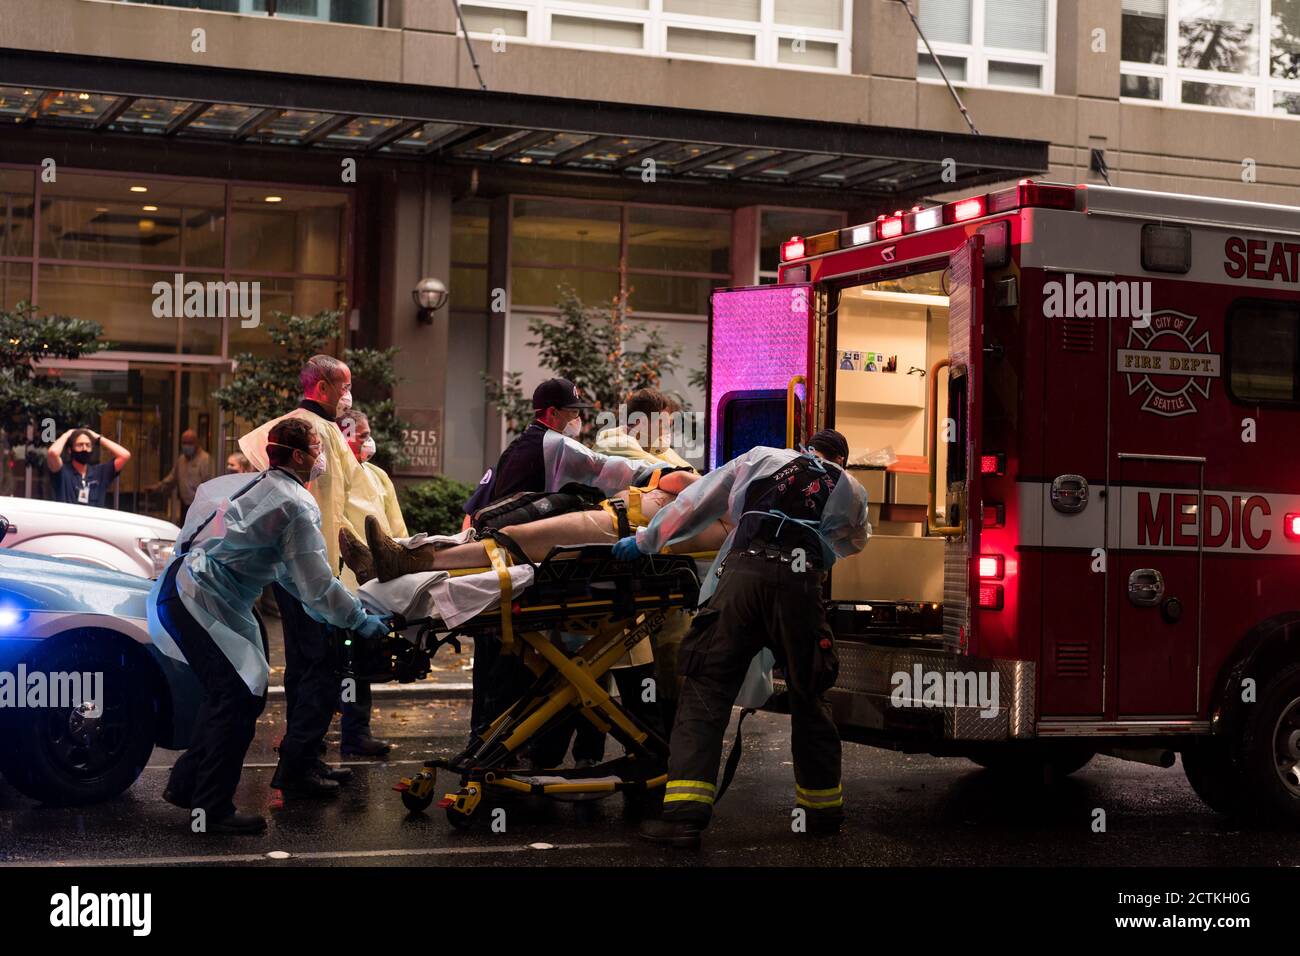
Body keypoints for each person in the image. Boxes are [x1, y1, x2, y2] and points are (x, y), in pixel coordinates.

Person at [613, 429, 870, 849]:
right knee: (810, 694)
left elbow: (696, 503)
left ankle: (683, 818)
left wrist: (646, 540)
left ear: (805, 447)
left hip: (744, 579)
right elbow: (855, 541)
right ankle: (822, 812)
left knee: (706, 689)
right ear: (843, 460)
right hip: (801, 588)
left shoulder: (762, 458)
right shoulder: (850, 487)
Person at [147, 417, 389, 834]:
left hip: (188, 590)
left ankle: (189, 786)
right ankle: (211, 808)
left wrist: (340, 611)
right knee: (237, 695)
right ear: (298, 455)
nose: (323, 456)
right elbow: (313, 583)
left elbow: (291, 576)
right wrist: (357, 618)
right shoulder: (296, 503)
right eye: (317, 448)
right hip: (201, 599)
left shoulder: (247, 485)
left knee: (236, 694)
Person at [238, 354, 393, 790]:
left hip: (302, 572)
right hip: (315, 572)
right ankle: (298, 767)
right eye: (343, 386)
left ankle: (303, 758)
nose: (349, 395)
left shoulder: (304, 429)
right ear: (321, 387)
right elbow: (347, 507)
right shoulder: (320, 431)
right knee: (320, 670)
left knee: (306, 666)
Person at [333, 407, 407, 756]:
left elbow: (396, 528)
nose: (369, 440)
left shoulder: (377, 475)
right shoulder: (334, 476)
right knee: (342, 663)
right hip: (346, 583)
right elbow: (337, 526)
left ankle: (355, 733)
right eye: (362, 435)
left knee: (360, 664)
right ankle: (319, 735)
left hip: (378, 585)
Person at [592, 387, 693, 471]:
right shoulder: (613, 445)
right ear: (642, 422)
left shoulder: (658, 449)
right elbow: (674, 474)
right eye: (664, 426)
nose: (667, 432)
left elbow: (695, 476)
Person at [46, 428, 131, 507]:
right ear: (70, 450)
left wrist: (98, 437)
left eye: (88, 445)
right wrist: (67, 434)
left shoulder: (100, 472)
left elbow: (124, 455)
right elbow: (53, 453)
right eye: (80, 445)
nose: (84, 449)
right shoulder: (62, 471)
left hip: (93, 522)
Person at [146, 429, 214, 524]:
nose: (186, 446)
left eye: (189, 443)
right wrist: (156, 488)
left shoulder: (205, 459)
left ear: (196, 443)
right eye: (184, 443)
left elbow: (209, 485)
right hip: (185, 506)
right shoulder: (181, 460)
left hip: (200, 507)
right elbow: (172, 479)